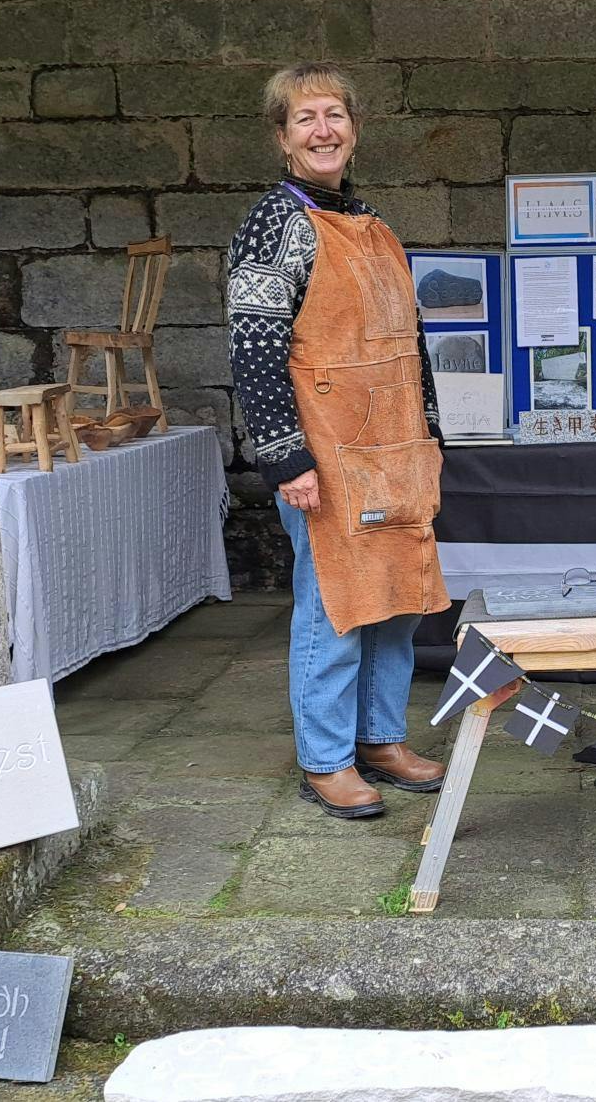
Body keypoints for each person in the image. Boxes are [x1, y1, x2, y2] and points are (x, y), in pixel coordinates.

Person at [227, 64, 451, 820]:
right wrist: (286, 457)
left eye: (334, 115)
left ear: (354, 127)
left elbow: (409, 347)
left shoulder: (374, 224)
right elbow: (254, 348)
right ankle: (327, 758)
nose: (322, 130)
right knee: (333, 606)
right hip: (326, 455)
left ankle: (381, 739)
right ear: (282, 137)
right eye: (304, 118)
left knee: (394, 601)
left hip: (394, 451)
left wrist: (431, 435)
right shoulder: (275, 222)